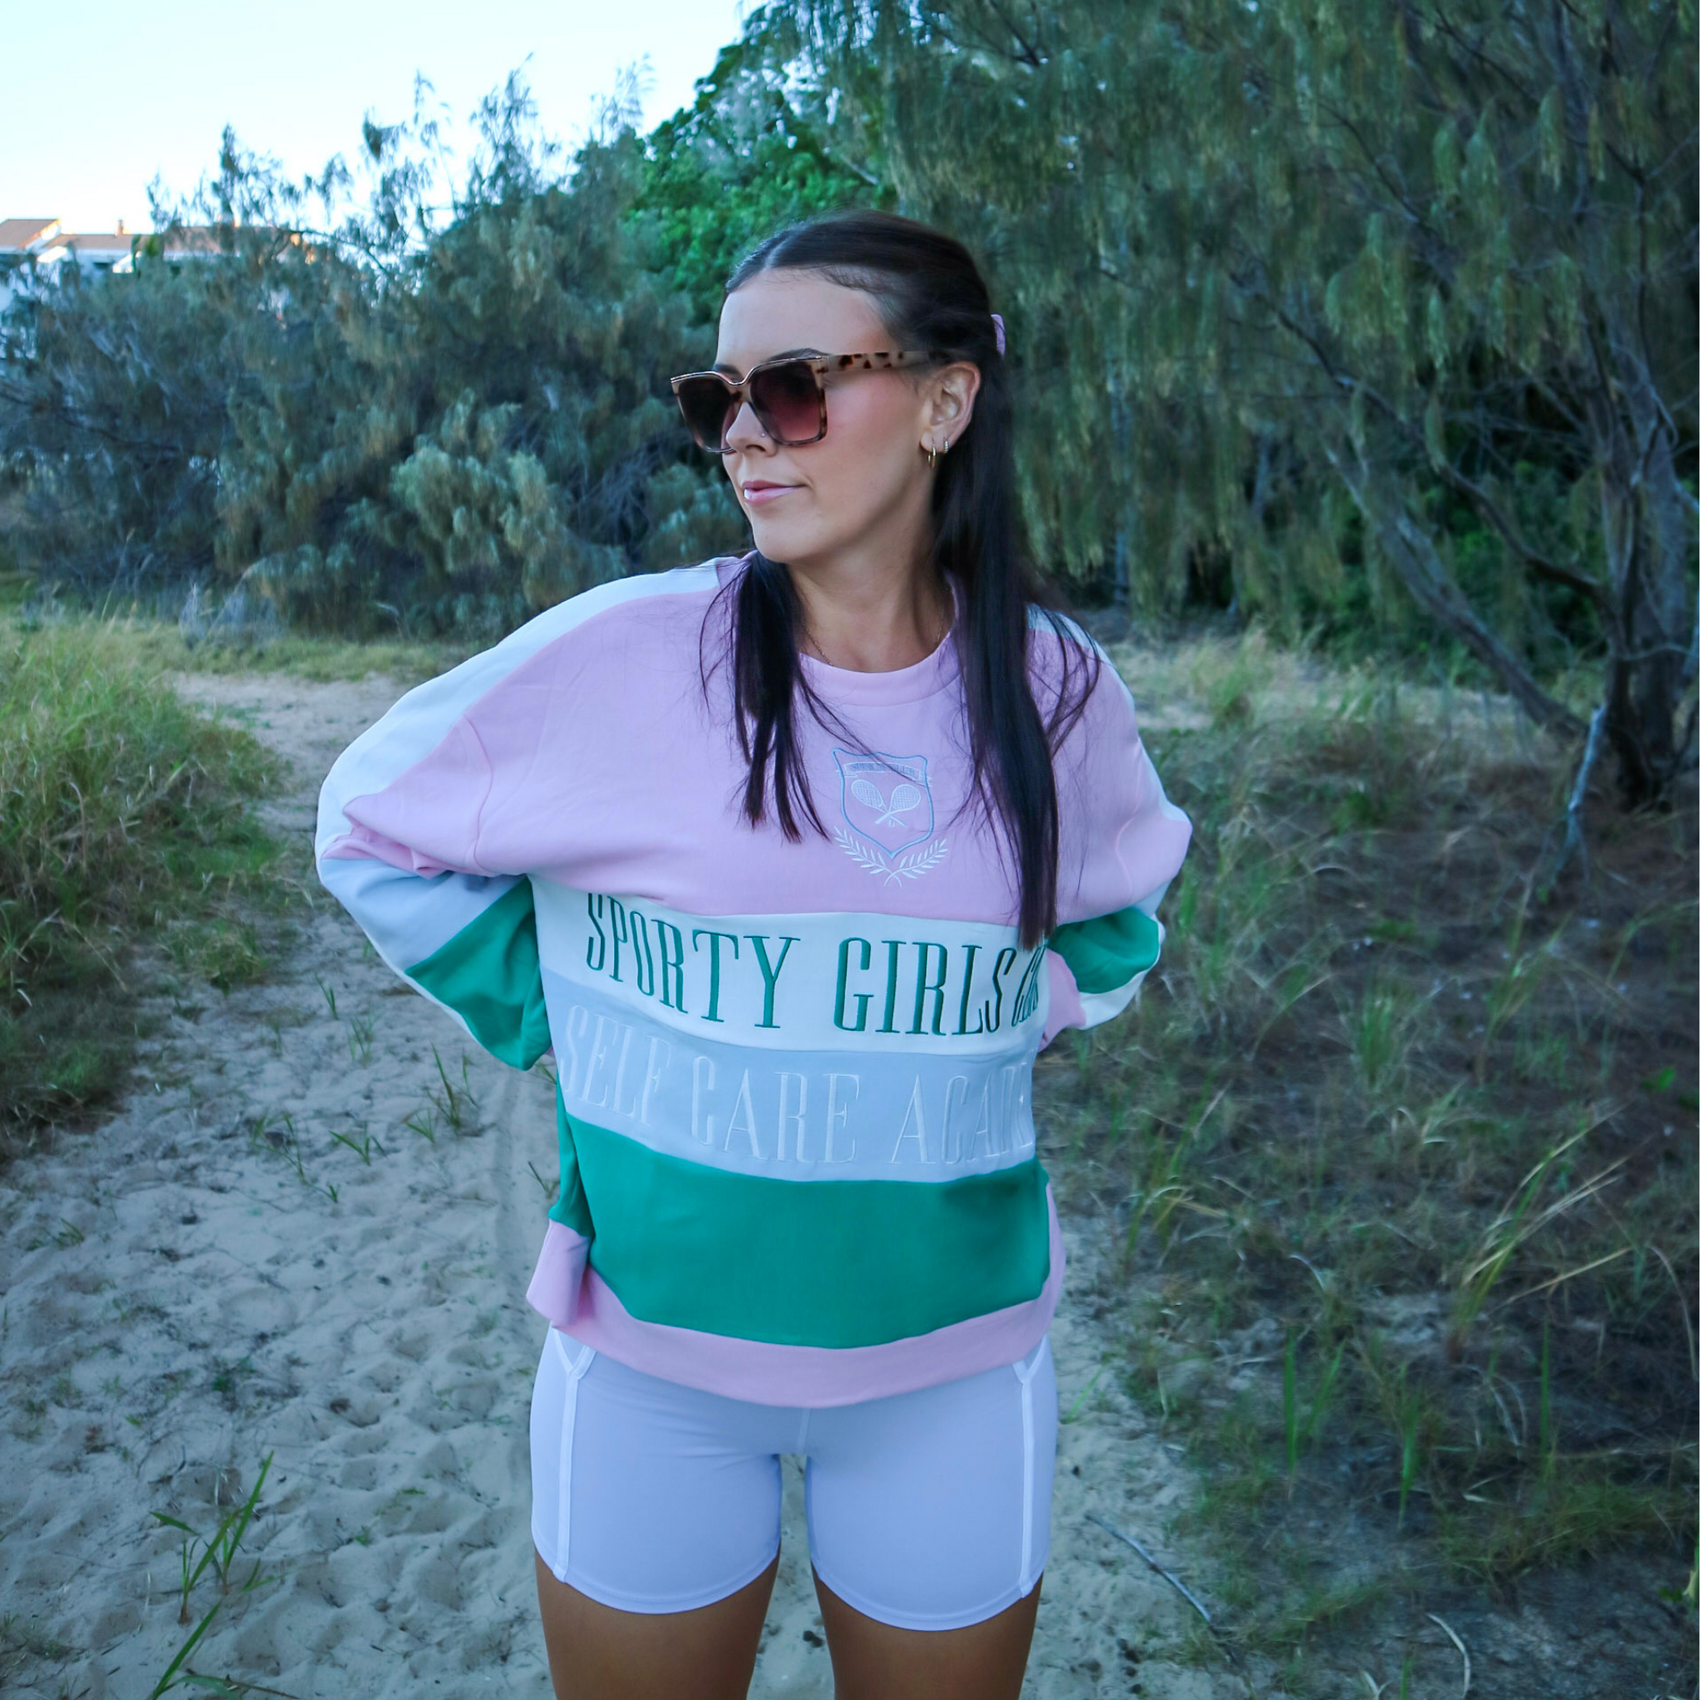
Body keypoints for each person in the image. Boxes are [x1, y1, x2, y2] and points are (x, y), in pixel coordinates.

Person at [315, 207, 1192, 1700]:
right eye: (717, 398)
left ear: (942, 399)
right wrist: (562, 1019)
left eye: (790, 386)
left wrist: (985, 1019)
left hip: (955, 1380)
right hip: (652, 1375)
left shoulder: (1058, 689)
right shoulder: (623, 657)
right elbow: (370, 824)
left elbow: (1118, 913)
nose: (744, 434)